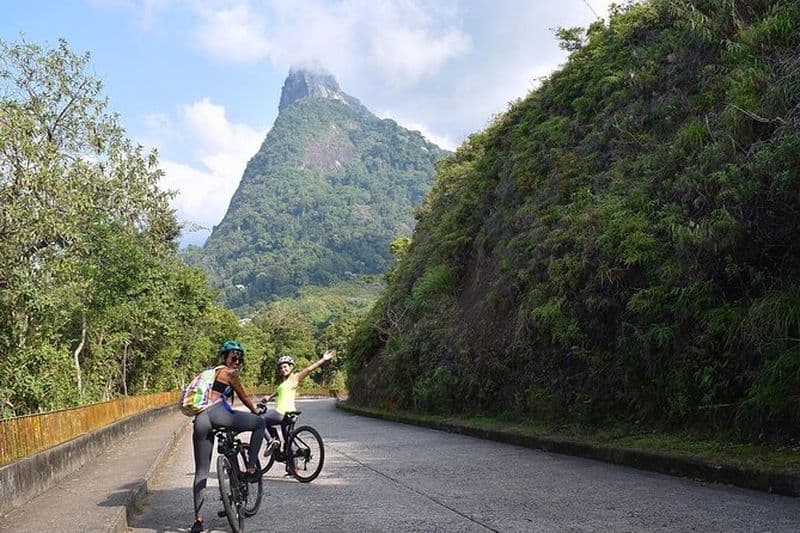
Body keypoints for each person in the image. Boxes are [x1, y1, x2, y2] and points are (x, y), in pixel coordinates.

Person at [189, 340, 265, 533]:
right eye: (234, 357)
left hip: (201, 420)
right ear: (225, 357)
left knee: (201, 472)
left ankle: (198, 520)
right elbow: (245, 397)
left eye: (239, 358)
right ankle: (251, 467)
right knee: (259, 423)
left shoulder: (210, 373)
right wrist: (255, 411)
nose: (237, 361)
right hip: (219, 414)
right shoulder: (230, 373)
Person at [259, 350, 336, 454]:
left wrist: (323, 359)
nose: (283, 369)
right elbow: (278, 391)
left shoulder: (295, 378)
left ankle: (271, 441)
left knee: (260, 419)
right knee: (289, 442)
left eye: (285, 367)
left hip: (281, 412)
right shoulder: (284, 383)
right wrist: (269, 397)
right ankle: (295, 461)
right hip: (289, 415)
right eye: (281, 368)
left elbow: (309, 369)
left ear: (291, 367)